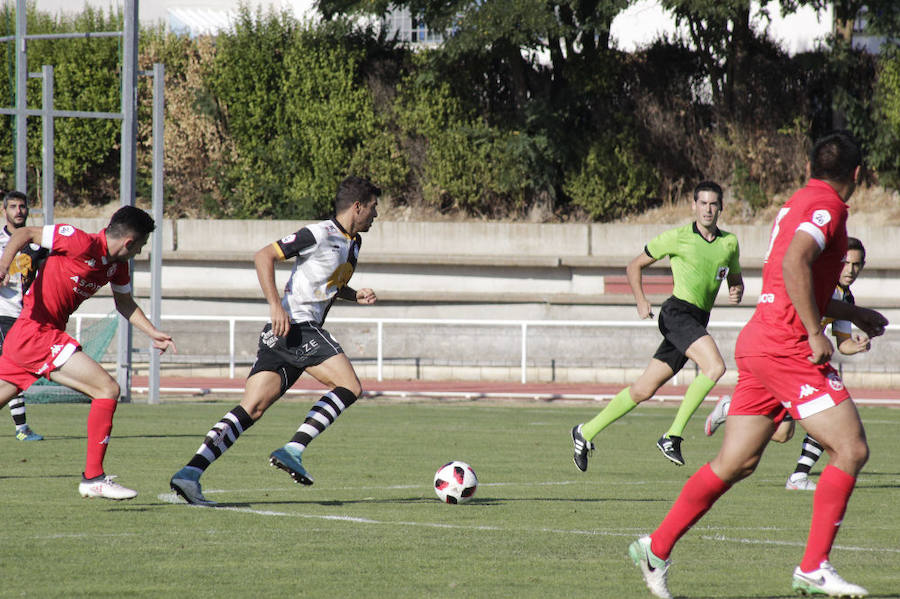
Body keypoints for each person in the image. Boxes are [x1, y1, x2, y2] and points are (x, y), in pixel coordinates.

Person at [628, 131, 888, 599]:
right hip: (787, 348)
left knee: (737, 462)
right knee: (851, 449)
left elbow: (798, 274)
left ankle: (656, 547)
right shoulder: (828, 207)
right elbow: (795, 263)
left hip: (760, 341)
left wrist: (851, 313)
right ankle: (813, 567)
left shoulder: (798, 201)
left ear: (811, 167)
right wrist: (814, 331)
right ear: (857, 175)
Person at [169, 175, 381, 507]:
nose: (376, 216)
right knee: (350, 387)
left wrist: (355, 295)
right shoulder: (318, 233)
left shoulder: (353, 243)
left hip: (287, 333)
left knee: (251, 408)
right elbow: (263, 256)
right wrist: (274, 304)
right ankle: (293, 448)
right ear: (357, 207)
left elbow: (328, 286)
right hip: (297, 326)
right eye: (373, 208)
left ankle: (189, 474)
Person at [0, 205, 176, 500]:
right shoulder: (78, 241)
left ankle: (94, 477)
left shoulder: (116, 266)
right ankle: (93, 477)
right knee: (107, 388)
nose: (139, 253)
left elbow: (125, 304)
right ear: (129, 242)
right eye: (141, 246)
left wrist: (152, 331)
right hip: (36, 332)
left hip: (28, 337)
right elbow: (25, 232)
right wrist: (4, 265)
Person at [570, 181, 743, 470]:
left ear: (721, 207)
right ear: (693, 206)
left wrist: (735, 289)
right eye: (703, 203)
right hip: (676, 314)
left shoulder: (729, 243)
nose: (708, 209)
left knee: (643, 390)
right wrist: (641, 300)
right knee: (714, 367)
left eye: (714, 204)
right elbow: (633, 266)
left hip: (697, 320)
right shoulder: (676, 237)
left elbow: (734, 278)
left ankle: (584, 432)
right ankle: (672, 436)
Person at [705, 237, 873, 492]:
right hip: (785, 358)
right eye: (846, 263)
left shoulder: (845, 298)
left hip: (800, 361)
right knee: (829, 408)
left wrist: (857, 344)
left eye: (856, 265)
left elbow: (843, 344)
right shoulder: (816, 285)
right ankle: (798, 477)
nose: (850, 270)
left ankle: (732, 409)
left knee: (783, 434)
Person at [0, 191, 48, 441]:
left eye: (22, 206)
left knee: (12, 370)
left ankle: (21, 428)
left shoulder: (38, 242)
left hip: (29, 316)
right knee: (13, 369)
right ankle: (21, 429)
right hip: (4, 314)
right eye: (13, 206)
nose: (19, 210)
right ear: (4, 210)